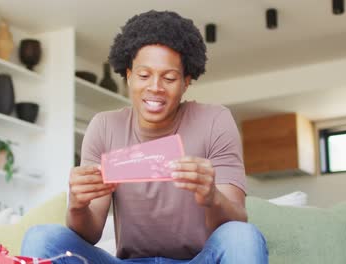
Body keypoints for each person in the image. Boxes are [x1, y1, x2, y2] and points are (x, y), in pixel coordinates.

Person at [21, 10, 268, 264]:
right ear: (128, 75)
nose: (155, 87)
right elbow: (90, 232)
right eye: (143, 75)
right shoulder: (104, 127)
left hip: (198, 260)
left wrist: (212, 198)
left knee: (243, 236)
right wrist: (77, 204)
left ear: (186, 81)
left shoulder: (215, 121)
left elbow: (237, 222)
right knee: (41, 238)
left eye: (169, 78)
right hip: (129, 262)